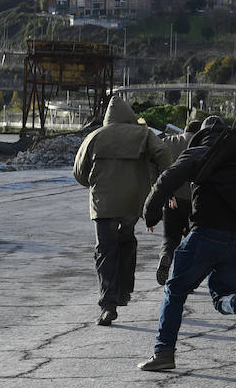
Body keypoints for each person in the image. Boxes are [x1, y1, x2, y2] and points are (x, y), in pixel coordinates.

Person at [136, 115, 236, 372]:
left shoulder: (202, 150)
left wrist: (150, 213)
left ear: (202, 134)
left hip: (208, 234)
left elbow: (167, 178)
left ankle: (163, 352)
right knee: (221, 295)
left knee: (175, 290)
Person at [72, 95, 173, 326]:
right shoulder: (143, 134)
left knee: (105, 249)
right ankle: (124, 292)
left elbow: (78, 172)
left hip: (103, 202)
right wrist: (162, 184)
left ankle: (108, 305)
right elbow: (164, 153)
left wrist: (95, 184)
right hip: (132, 201)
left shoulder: (94, 136)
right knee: (126, 239)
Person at [155, 120, 202, 286]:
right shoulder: (202, 145)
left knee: (170, 236)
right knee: (192, 239)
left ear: (185, 130)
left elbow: (155, 164)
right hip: (195, 200)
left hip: (171, 198)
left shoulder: (168, 142)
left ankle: (165, 255)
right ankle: (185, 277)